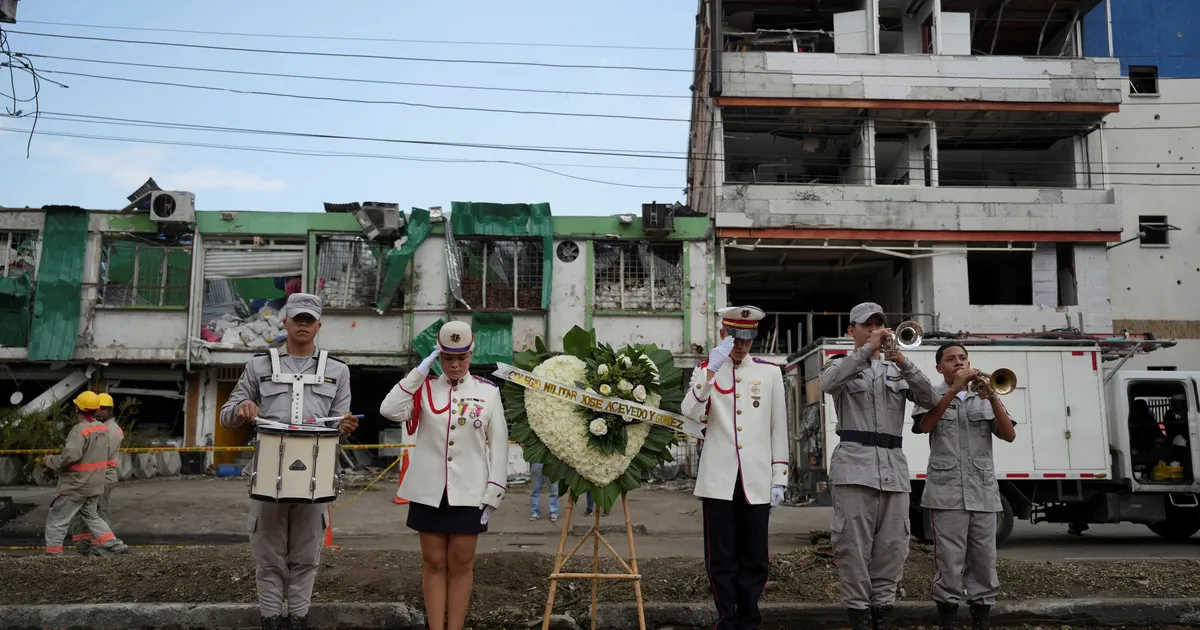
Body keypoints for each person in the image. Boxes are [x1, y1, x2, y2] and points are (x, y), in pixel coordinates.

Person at [220, 293, 359, 630]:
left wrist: (346, 427)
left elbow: (340, 426)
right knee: (267, 555)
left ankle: (298, 617)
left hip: (315, 477)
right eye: (297, 317)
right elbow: (226, 416)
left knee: (307, 553)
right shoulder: (258, 366)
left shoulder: (338, 371)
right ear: (285, 321)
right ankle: (270, 618)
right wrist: (241, 410)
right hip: (267, 474)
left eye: (309, 319)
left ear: (318, 325)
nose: (302, 324)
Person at [380, 321, 509, 630]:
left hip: (469, 491)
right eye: (447, 358)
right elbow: (389, 410)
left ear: (470, 355)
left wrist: (494, 491)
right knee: (434, 563)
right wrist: (419, 372)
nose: (454, 365)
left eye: (461, 358)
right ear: (438, 356)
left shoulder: (487, 392)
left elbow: (500, 445)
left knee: (462, 564)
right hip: (429, 491)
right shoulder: (424, 388)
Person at [819, 302, 940, 630]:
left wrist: (903, 361)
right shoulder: (840, 364)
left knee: (892, 549)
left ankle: (883, 615)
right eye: (867, 325)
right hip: (854, 469)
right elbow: (827, 385)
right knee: (853, 551)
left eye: (879, 324)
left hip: (893, 472)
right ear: (851, 331)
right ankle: (859, 617)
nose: (875, 329)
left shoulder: (898, 368)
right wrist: (866, 352)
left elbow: (931, 400)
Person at [681, 305, 788, 630]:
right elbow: (689, 417)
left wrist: (779, 476)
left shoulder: (770, 373)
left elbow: (777, 428)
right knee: (721, 558)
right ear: (723, 335)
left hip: (756, 479)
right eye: (735, 338)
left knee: (755, 557)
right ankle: (727, 620)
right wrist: (710, 374)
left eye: (747, 339)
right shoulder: (707, 369)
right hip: (719, 479)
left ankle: (749, 619)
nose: (741, 346)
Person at [911, 344, 1016, 630]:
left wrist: (992, 397)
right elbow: (925, 426)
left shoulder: (984, 394)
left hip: (982, 492)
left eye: (962, 358)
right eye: (950, 359)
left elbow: (1009, 435)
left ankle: (981, 619)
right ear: (939, 368)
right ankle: (948, 618)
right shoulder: (930, 394)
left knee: (984, 560)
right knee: (949, 561)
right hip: (946, 495)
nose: (958, 362)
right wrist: (954, 390)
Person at [41, 391, 128, 556]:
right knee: (93, 517)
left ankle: (52, 556)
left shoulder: (80, 430)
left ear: (77, 407)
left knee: (57, 520)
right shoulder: (102, 429)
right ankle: (116, 546)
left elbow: (70, 456)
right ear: (95, 409)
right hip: (93, 485)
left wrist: (50, 461)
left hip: (76, 485)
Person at [66, 391, 124, 555]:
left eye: (104, 409)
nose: (99, 411)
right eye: (97, 408)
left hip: (104, 478)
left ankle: (102, 549)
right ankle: (85, 548)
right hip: (94, 477)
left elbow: (98, 454)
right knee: (85, 515)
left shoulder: (112, 430)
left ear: (110, 410)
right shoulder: (99, 428)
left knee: (99, 514)